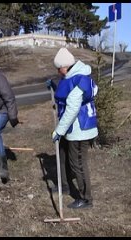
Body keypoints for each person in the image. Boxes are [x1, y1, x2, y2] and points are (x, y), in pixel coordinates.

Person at [47, 47, 98, 209]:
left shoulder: (80, 79)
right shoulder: (75, 76)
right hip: (72, 129)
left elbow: (72, 108)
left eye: (58, 68)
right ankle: (65, 185)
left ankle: (86, 199)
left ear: (65, 66)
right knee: (65, 156)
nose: (58, 71)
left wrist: (59, 131)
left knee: (78, 164)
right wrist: (54, 86)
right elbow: (66, 94)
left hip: (80, 129)